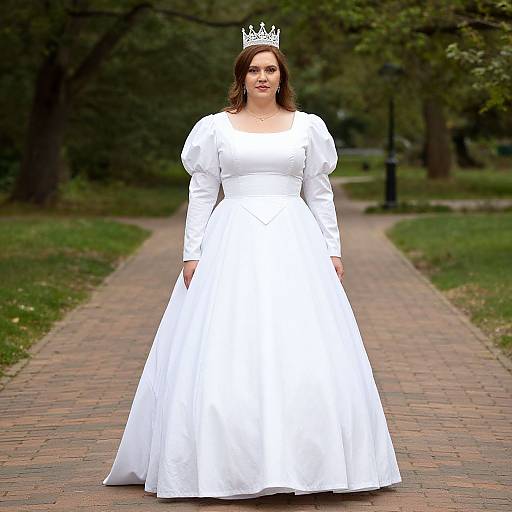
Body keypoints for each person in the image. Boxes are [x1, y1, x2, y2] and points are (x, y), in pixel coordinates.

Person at [102, 21, 402, 500]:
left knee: (302, 339)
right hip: (232, 238)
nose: (263, 77)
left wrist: (332, 248)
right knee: (227, 340)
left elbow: (319, 192)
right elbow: (201, 193)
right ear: (241, 77)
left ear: (282, 76)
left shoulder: (308, 127)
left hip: (295, 240)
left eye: (271, 69)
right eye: (254, 70)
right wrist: (191, 254)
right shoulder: (215, 128)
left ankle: (310, 460)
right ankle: (227, 460)